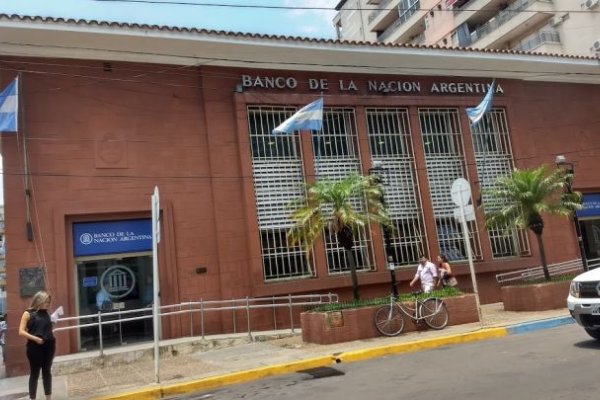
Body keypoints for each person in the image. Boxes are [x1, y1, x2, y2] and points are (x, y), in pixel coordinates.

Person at [18, 291, 55, 400]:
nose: (48, 304)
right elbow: (21, 331)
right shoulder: (28, 313)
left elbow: (46, 328)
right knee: (35, 373)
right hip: (34, 347)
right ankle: (32, 398)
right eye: (46, 302)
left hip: (49, 345)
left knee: (47, 372)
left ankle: (49, 398)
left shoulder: (46, 313)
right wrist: (35, 339)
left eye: (49, 302)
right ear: (39, 301)